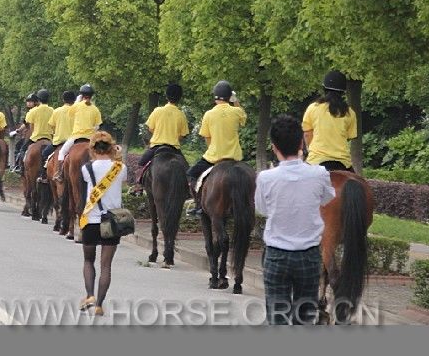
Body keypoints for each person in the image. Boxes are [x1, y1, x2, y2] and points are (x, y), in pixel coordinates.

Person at [255, 114, 335, 325]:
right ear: (301, 142)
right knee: (305, 319)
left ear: (273, 147)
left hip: (276, 255)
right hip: (308, 256)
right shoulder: (319, 173)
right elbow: (327, 199)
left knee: (277, 319)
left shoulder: (265, 178)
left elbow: (262, 209)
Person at [79, 131, 127, 316]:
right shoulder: (120, 168)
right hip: (112, 221)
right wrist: (118, 155)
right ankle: (99, 305)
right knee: (106, 266)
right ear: (111, 147)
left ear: (92, 148)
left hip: (91, 220)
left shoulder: (86, 168)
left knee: (88, 260)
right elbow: (122, 177)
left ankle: (89, 295)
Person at [186, 80, 246, 216]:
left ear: (215, 96)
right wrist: (235, 100)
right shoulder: (237, 111)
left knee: (191, 174)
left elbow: (207, 137)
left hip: (214, 157)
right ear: (229, 96)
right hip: (235, 157)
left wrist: (212, 148)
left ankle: (199, 205)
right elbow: (243, 117)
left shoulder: (209, 114)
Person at [132, 83, 189, 193]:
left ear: (166, 96)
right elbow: (182, 135)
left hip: (156, 147)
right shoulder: (181, 114)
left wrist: (159, 133)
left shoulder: (157, 110)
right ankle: (188, 190)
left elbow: (150, 128)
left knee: (141, 164)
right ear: (179, 98)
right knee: (187, 170)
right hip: (174, 149)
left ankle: (138, 186)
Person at [302, 71, 357, 172]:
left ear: (324, 88)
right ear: (343, 92)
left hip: (316, 160)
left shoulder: (313, 108)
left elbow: (307, 134)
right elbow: (348, 137)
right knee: (359, 184)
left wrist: (310, 151)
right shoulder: (350, 112)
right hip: (343, 162)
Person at [54, 84, 102, 182]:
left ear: (81, 95)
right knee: (102, 154)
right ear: (92, 95)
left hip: (76, 137)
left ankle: (60, 174)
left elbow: (70, 114)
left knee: (62, 153)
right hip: (90, 138)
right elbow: (97, 126)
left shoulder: (77, 106)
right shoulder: (95, 109)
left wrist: (77, 101)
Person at [38, 90, 76, 182]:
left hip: (59, 141)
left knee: (44, 154)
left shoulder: (57, 111)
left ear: (63, 100)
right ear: (74, 100)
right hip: (74, 142)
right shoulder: (77, 111)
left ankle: (44, 176)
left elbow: (51, 125)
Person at [22, 88, 54, 171]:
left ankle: (20, 168)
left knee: (22, 151)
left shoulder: (33, 111)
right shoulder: (53, 111)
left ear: (38, 99)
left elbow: (30, 127)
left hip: (35, 138)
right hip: (49, 139)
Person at [11, 93, 39, 173]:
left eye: (31, 101)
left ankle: (19, 166)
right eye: (28, 101)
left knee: (20, 147)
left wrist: (19, 131)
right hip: (46, 136)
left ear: (36, 102)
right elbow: (25, 123)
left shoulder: (31, 112)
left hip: (33, 135)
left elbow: (28, 124)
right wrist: (18, 130)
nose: (29, 103)